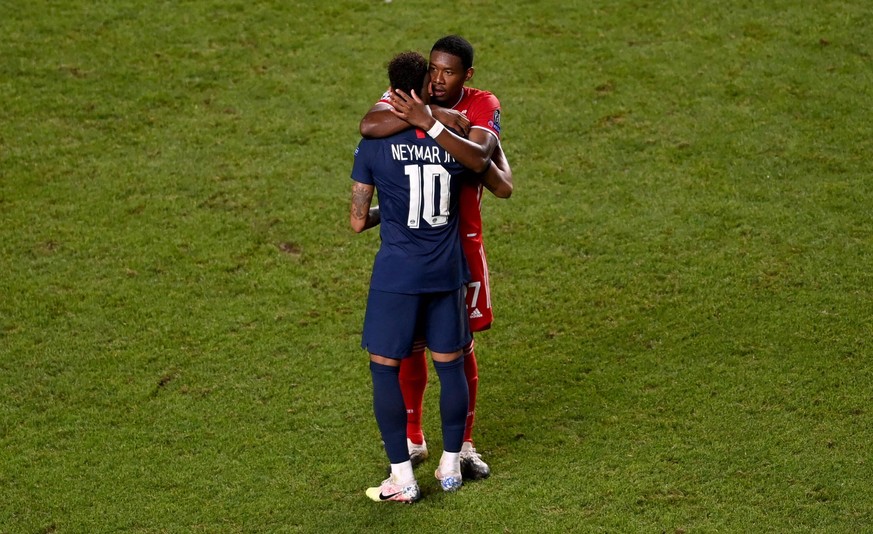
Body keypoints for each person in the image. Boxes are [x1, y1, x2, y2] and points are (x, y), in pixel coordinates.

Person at [350, 51, 510, 504]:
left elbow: (358, 218)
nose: (440, 80)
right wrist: (439, 123)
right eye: (434, 73)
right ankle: (446, 460)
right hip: (448, 264)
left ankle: (405, 474)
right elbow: (497, 180)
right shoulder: (454, 136)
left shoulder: (378, 145)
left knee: (388, 363)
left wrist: (427, 119)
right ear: (424, 83)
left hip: (402, 272)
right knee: (453, 358)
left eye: (449, 72)